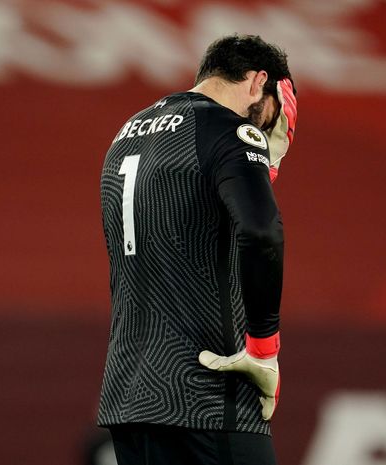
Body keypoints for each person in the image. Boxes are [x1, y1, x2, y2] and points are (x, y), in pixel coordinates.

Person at [96, 34, 297, 465]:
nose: (267, 128)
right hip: (206, 394)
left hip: (130, 395)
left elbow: (190, 220)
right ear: (260, 81)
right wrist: (264, 347)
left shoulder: (128, 133)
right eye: (273, 112)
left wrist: (266, 167)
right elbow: (261, 230)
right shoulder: (230, 131)